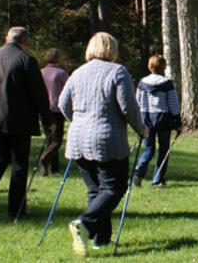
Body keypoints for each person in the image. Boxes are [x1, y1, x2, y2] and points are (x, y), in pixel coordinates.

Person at [59, 32, 148, 256]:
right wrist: (142, 129)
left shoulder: (77, 72)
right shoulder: (118, 71)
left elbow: (62, 103)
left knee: (96, 190)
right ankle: (85, 223)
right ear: (112, 49)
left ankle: (101, 239)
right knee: (114, 188)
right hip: (107, 137)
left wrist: (78, 120)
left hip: (78, 137)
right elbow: (128, 106)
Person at [0, 27, 52, 218]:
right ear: (25, 42)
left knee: (0, 156)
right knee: (19, 163)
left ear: (6, 39)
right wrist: (48, 120)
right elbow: (39, 94)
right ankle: (16, 209)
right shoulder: (27, 60)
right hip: (19, 120)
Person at [133, 55, 181, 187]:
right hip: (163, 119)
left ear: (150, 66)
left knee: (149, 149)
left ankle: (139, 170)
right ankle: (157, 178)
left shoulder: (143, 83)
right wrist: (177, 122)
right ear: (164, 67)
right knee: (164, 150)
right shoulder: (167, 84)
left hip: (146, 119)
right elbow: (173, 104)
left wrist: (139, 119)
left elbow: (138, 102)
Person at [39, 48, 69, 175]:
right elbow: (68, 91)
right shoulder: (61, 73)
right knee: (57, 140)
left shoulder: (41, 72)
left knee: (50, 137)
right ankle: (45, 159)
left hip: (44, 109)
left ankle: (53, 168)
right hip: (56, 109)